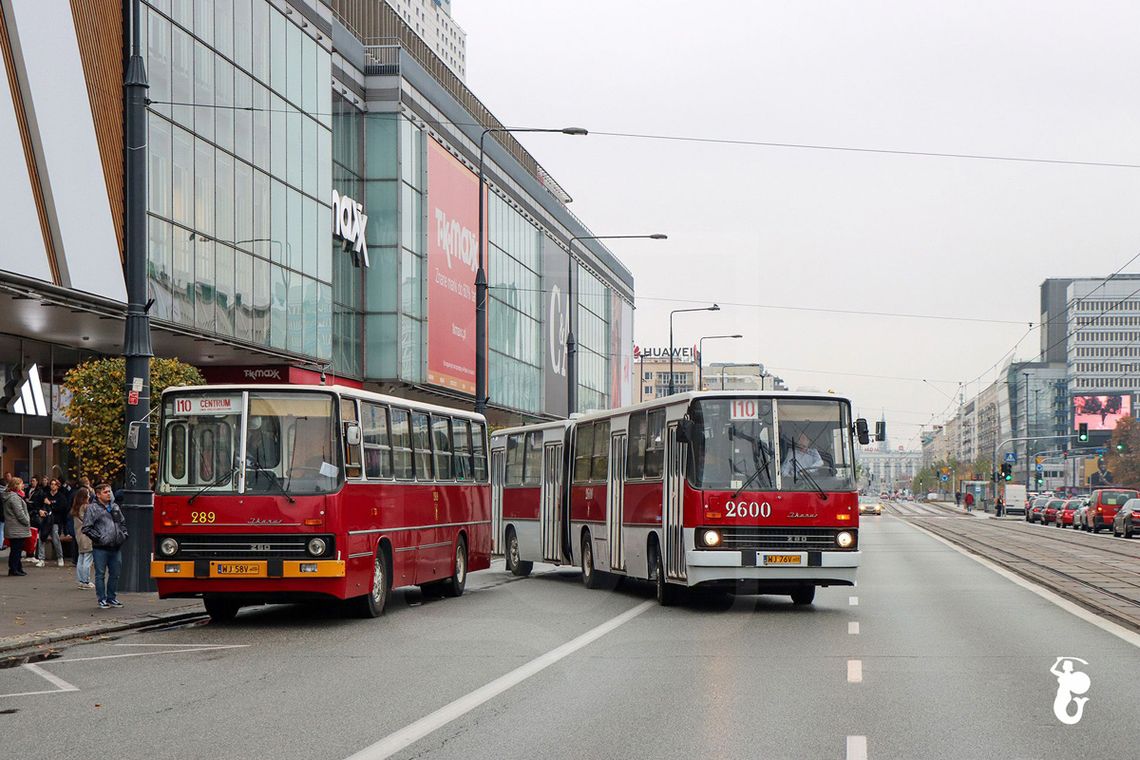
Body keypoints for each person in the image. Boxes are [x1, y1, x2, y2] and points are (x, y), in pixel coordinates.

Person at [82, 483, 127, 609]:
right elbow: (86, 527)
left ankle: (111, 598)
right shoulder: (92, 508)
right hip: (101, 547)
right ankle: (101, 599)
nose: (109, 494)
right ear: (98, 494)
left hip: (116, 546)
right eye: (106, 492)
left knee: (115, 574)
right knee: (100, 574)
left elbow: (122, 522)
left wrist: (123, 534)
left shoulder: (114, 506)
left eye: (109, 491)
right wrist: (99, 538)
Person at [3, 477, 32, 576]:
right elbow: (19, 513)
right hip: (17, 527)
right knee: (16, 550)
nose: (23, 486)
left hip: (14, 527)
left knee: (16, 549)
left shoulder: (11, 496)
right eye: (21, 484)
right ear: (16, 485)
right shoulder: (14, 497)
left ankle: (17, 568)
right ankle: (14, 569)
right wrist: (27, 521)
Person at [37, 478, 66, 566]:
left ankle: (60, 557)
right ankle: (41, 559)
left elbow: (62, 509)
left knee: (55, 539)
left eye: (54, 484)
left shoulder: (61, 496)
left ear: (58, 486)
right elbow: (39, 505)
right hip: (45, 520)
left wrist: (50, 504)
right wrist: (40, 511)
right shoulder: (45, 495)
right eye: (51, 484)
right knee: (42, 538)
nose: (53, 486)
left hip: (55, 521)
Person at [70, 487, 94, 589]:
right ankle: (86, 581)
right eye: (87, 494)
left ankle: (80, 580)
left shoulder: (75, 508)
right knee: (88, 559)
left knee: (81, 558)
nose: (89, 496)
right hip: (87, 536)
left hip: (79, 536)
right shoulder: (86, 507)